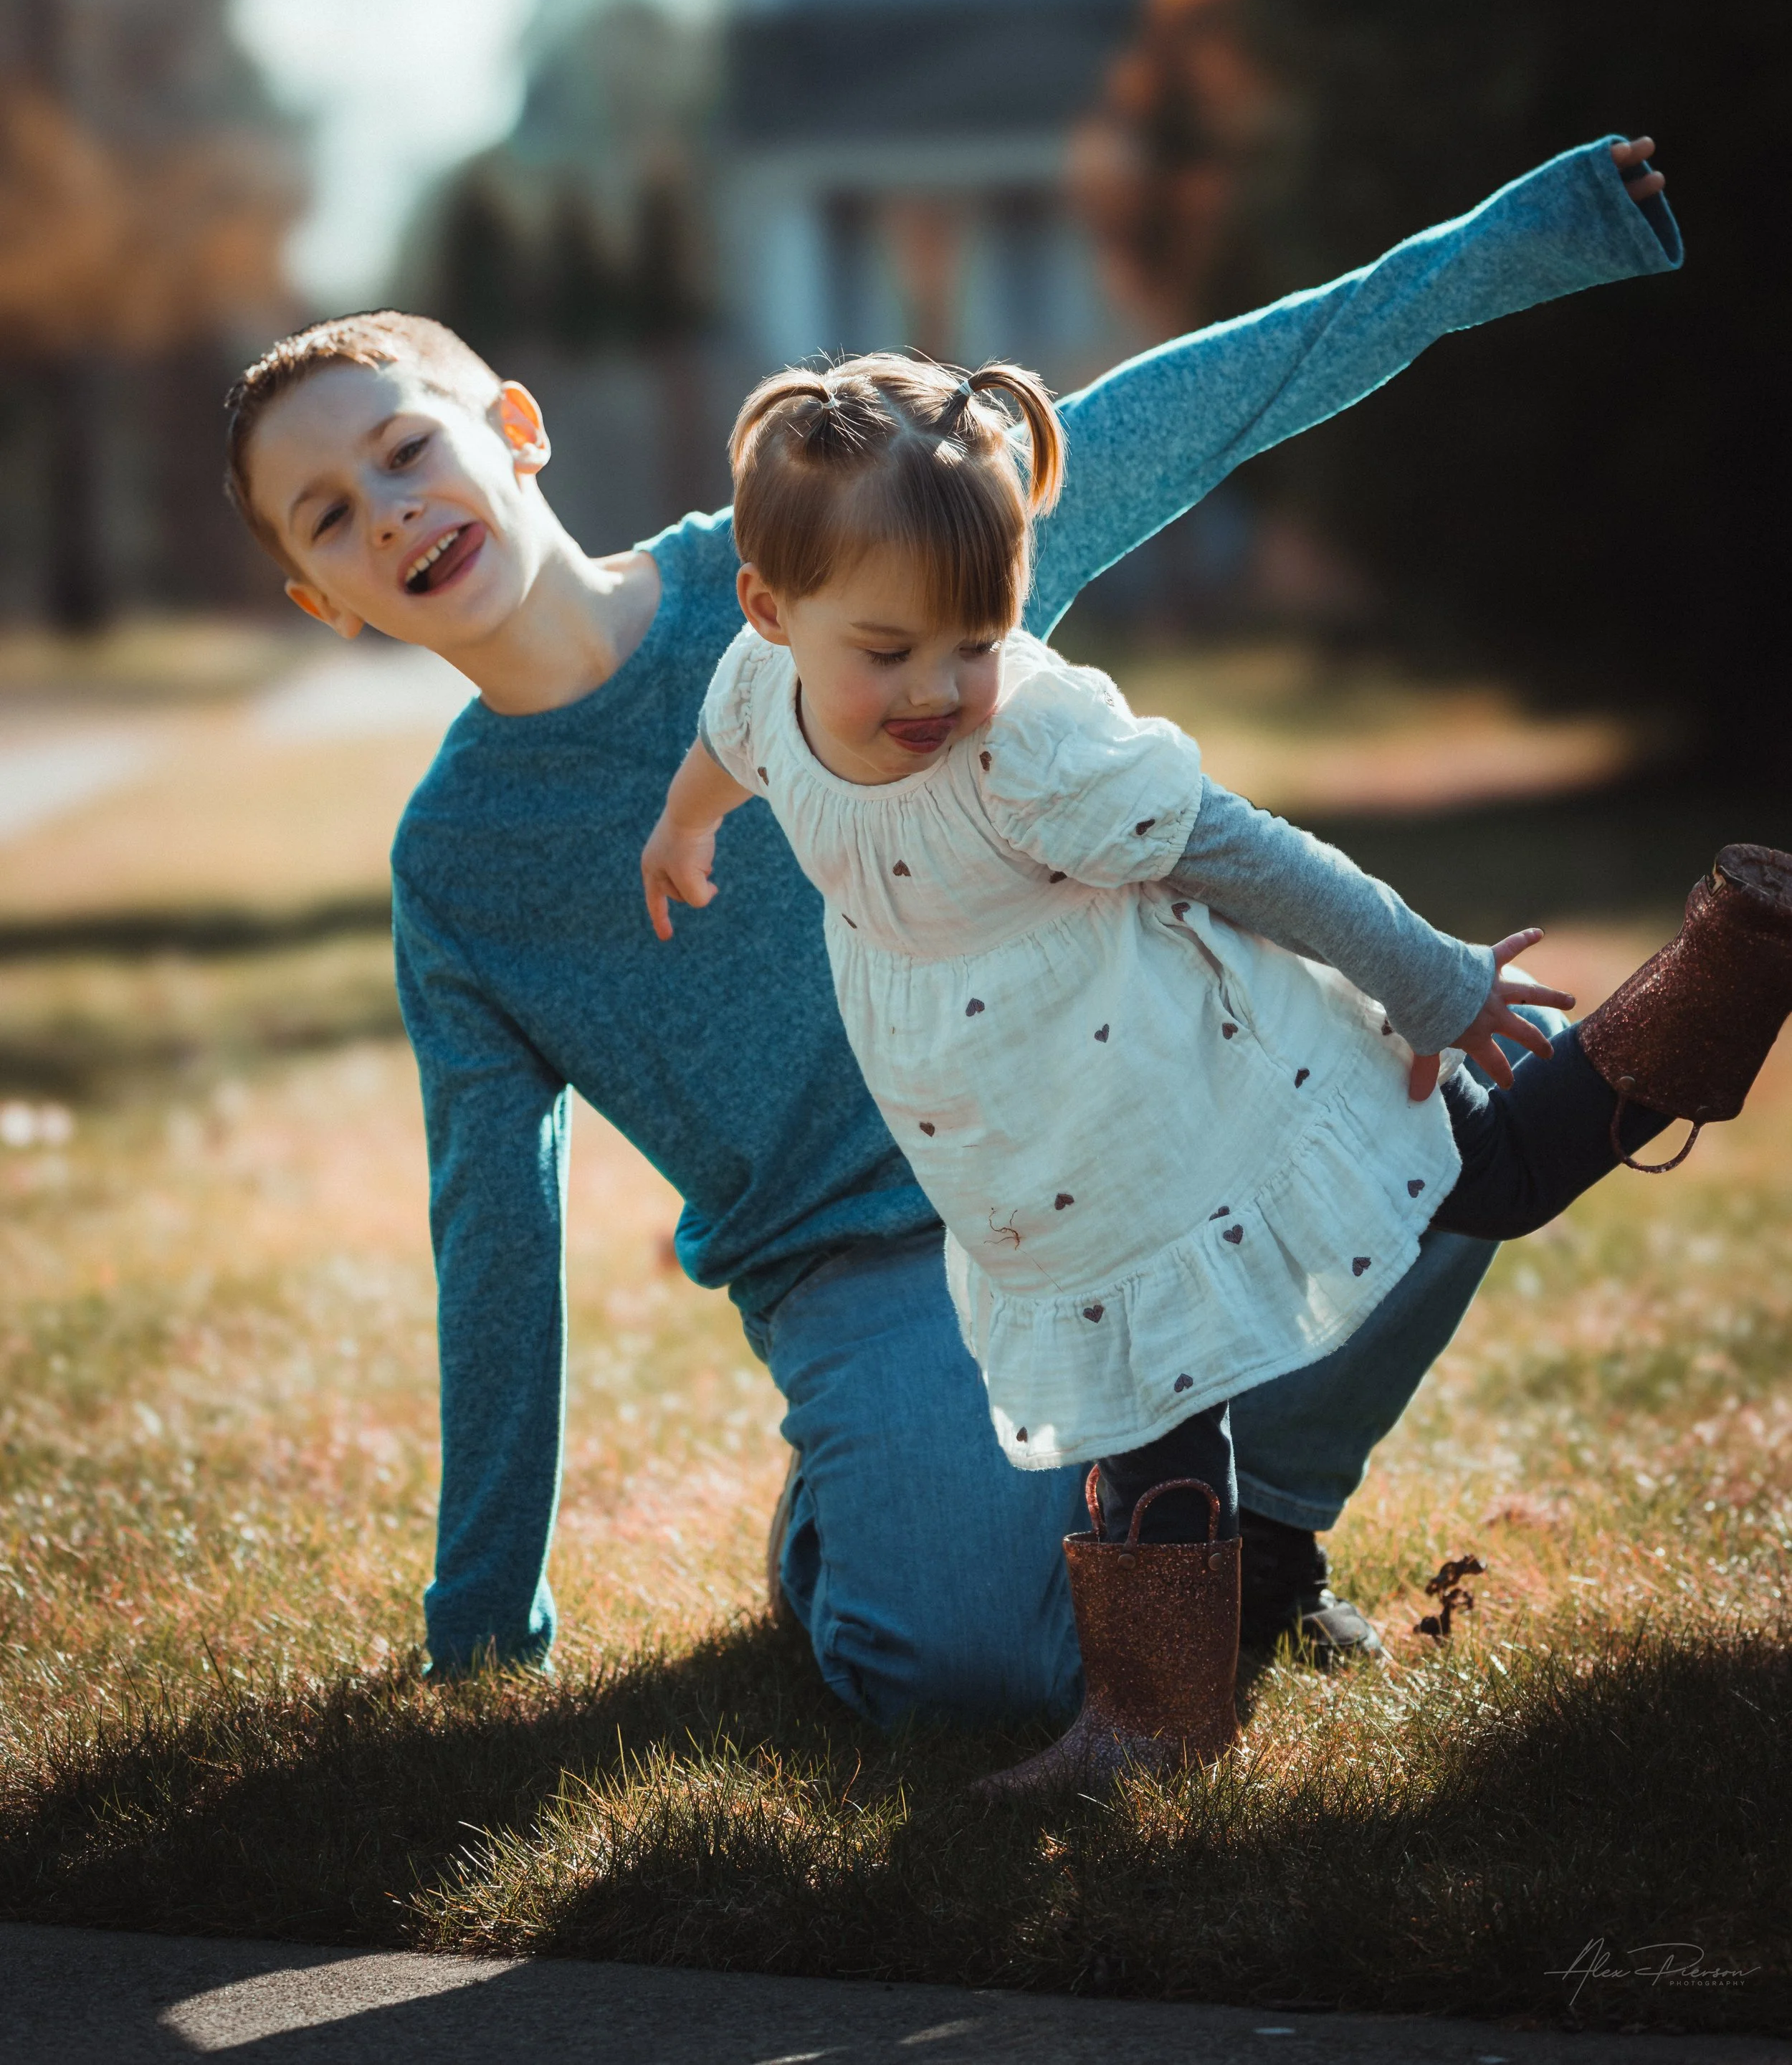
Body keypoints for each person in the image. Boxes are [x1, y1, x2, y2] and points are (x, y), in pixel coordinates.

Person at [224, 132, 1679, 1716]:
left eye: (401, 451)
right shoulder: (460, 872)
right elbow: (491, 1238)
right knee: (962, 1668)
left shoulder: (833, 536)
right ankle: (868, 1518)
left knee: (1425, 1113)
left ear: (511, 431)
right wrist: (482, 1623)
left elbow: (1202, 409)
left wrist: (1522, 240)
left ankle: (1258, 1532)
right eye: (326, 517)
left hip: (1124, 1123)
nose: (386, 512)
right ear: (325, 600)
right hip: (870, 1263)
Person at [643, 340, 1792, 1785]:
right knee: (1323, 1277)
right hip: (1044, 1134)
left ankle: (1153, 1727)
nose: (938, 685)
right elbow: (725, 744)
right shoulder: (764, 686)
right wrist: (681, 830)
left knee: (1248, 1334)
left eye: (976, 642)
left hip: (1179, 1078)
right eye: (888, 653)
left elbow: (1252, 854)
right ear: (770, 611)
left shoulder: (1029, 752)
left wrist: (1432, 981)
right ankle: (1713, 993)